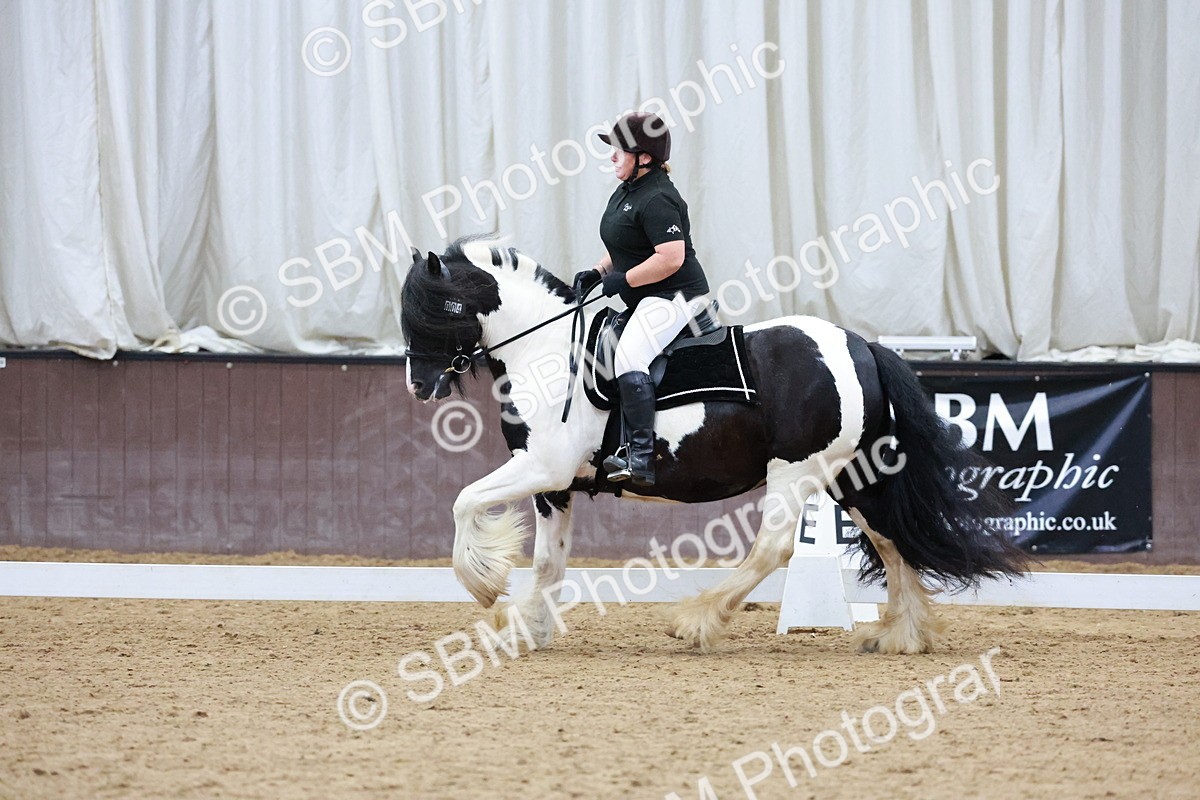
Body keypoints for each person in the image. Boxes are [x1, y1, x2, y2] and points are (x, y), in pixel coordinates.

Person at [574, 112, 711, 487]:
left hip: (675, 295)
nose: (612, 156)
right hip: (648, 294)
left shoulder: (659, 198)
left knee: (629, 357)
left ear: (645, 158)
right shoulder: (629, 189)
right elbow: (625, 241)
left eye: (620, 150)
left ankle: (641, 456)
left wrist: (624, 279)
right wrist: (599, 270)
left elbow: (671, 258)